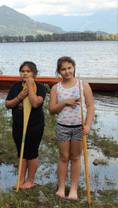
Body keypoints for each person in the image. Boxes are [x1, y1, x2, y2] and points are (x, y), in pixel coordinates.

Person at [49, 56, 94, 200]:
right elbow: (51, 110)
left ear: (74, 67)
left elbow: (90, 106)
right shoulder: (56, 88)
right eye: (63, 69)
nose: (67, 71)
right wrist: (65, 102)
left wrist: (88, 124)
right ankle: (61, 187)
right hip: (62, 127)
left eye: (69, 68)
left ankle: (73, 188)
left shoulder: (83, 85)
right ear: (59, 71)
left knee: (75, 157)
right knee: (64, 157)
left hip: (79, 128)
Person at [5, 61, 47, 189]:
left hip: (34, 125)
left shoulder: (40, 87)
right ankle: (21, 179)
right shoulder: (15, 86)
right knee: (21, 152)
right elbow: (8, 104)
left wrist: (30, 86)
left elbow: (35, 103)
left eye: (28, 71)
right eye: (22, 71)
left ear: (34, 73)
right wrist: (19, 97)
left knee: (31, 152)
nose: (25, 73)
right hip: (18, 125)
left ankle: (30, 180)